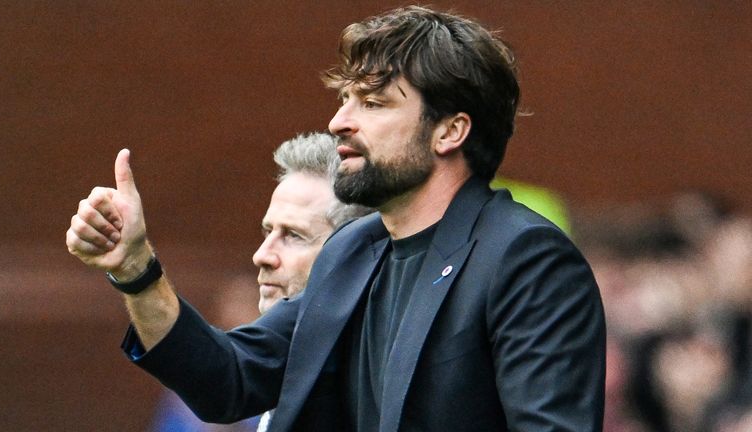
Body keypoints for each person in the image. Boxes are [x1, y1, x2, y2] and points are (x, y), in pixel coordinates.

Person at [66, 6, 606, 431]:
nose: (339, 121)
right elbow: (226, 380)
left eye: (373, 103)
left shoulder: (524, 257)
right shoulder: (352, 251)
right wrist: (136, 268)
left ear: (450, 131)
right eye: (345, 99)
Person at [148, 132, 371, 432]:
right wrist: (134, 269)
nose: (262, 255)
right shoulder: (285, 358)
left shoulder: (371, 377)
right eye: (268, 233)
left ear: (351, 251)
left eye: (294, 236)